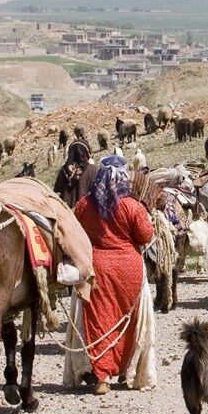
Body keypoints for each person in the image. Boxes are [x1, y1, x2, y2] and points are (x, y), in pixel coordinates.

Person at [73, 156, 154, 395]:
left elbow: (75, 234)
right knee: (129, 322)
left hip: (96, 268)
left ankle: (102, 377)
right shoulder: (131, 206)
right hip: (129, 269)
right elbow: (146, 235)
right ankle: (126, 372)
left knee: (99, 320)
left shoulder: (84, 205)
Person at [54, 141, 98, 208]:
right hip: (83, 213)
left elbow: (56, 192)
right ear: (85, 153)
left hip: (65, 213)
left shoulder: (63, 170)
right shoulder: (92, 170)